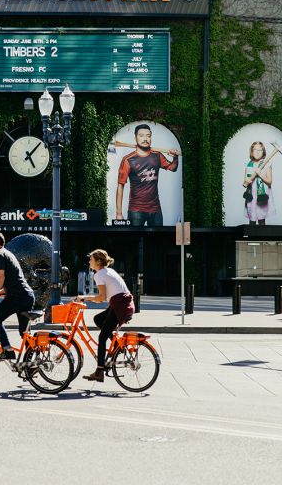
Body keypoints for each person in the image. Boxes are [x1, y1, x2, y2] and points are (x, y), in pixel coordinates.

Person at [78, 249, 134, 382]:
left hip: (120, 306)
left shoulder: (99, 274)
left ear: (98, 261)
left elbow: (101, 298)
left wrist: (84, 298)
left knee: (102, 337)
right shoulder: (109, 271)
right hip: (123, 304)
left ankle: (100, 371)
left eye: (91, 259)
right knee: (98, 319)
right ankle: (117, 345)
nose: (89, 261)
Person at [116, 124, 179, 226]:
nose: (145, 138)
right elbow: (120, 186)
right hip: (136, 210)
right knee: (135, 241)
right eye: (141, 135)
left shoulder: (157, 155)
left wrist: (175, 157)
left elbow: (173, 168)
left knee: (156, 241)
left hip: (155, 210)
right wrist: (119, 213)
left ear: (151, 138)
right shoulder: (128, 160)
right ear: (135, 138)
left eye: (148, 136)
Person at [0, 231, 35, 361]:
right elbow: (13, 279)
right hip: (26, 295)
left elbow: (1, 276)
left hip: (17, 296)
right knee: (24, 333)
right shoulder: (8, 254)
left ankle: (7, 350)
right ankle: (31, 363)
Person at [243, 141, 274, 226]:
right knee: (252, 217)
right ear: (251, 151)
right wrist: (246, 181)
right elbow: (245, 180)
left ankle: (262, 237)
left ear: (263, 152)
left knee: (261, 217)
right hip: (251, 195)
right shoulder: (248, 165)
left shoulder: (266, 164)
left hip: (261, 195)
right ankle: (251, 237)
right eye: (255, 150)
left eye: (260, 150)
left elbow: (269, 181)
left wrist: (260, 174)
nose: (257, 152)